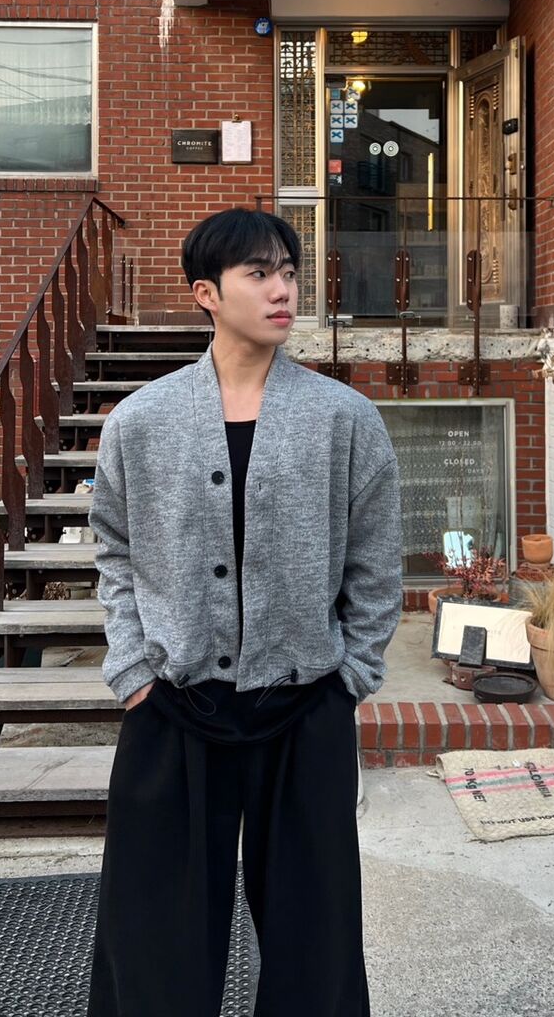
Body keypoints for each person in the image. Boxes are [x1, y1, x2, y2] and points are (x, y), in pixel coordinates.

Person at [87, 207, 403, 1017]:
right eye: (259, 274)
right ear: (207, 293)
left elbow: (376, 563)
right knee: (153, 936)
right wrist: (131, 668)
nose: (282, 290)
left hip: (304, 705)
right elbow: (114, 550)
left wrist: (353, 674)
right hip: (171, 705)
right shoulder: (141, 421)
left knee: (314, 939)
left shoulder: (343, 418)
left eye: (289, 273)